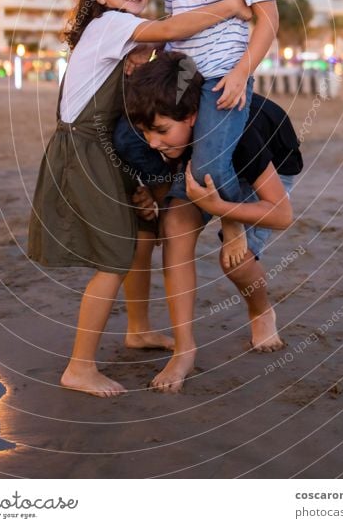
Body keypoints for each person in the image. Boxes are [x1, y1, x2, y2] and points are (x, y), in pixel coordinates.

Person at [27, 0, 251, 398]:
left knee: (142, 236)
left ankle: (138, 328)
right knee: (113, 257)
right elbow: (170, 28)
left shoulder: (122, 35)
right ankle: (79, 367)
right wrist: (228, 6)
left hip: (101, 146)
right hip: (84, 150)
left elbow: (156, 50)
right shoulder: (112, 25)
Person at [115, 0, 279, 278]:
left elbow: (268, 19)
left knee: (208, 164)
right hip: (181, 73)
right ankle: (152, 197)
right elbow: (174, 26)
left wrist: (242, 71)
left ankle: (232, 220)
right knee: (129, 136)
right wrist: (151, 66)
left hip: (223, 75)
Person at [122, 51, 303, 393]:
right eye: (146, 132)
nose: (152, 142)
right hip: (199, 163)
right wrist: (150, 195)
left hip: (265, 170)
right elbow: (170, 162)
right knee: (174, 226)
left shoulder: (241, 132)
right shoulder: (171, 134)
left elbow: (281, 214)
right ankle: (184, 348)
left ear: (192, 116)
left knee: (233, 260)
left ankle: (260, 311)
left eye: (160, 130)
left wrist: (222, 208)